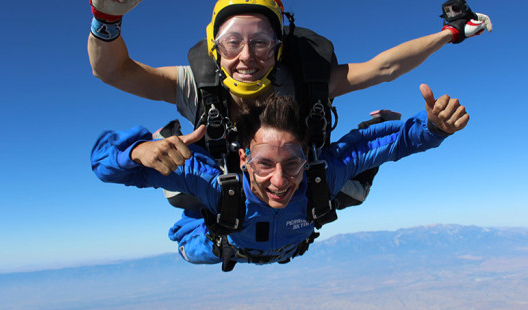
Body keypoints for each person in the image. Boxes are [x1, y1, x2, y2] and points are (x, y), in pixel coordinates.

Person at [88, 0, 490, 211]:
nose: (247, 56)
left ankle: (373, 128)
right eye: (232, 42)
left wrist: (450, 33)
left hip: (294, 174)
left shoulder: (304, 83)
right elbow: (115, 72)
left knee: (351, 192)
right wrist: (105, 17)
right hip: (227, 176)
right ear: (215, 47)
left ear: (278, 48)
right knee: (178, 195)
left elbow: (383, 67)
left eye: (261, 41)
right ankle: (169, 141)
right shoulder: (196, 85)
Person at [91, 84, 470, 270]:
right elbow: (102, 165)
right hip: (219, 244)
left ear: (305, 154)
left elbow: (391, 145)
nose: (279, 180)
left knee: (354, 181)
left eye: (292, 163)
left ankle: (375, 121)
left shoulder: (321, 175)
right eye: (264, 164)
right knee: (188, 245)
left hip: (288, 242)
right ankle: (166, 143)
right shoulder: (210, 181)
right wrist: (137, 151)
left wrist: (432, 128)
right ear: (243, 158)